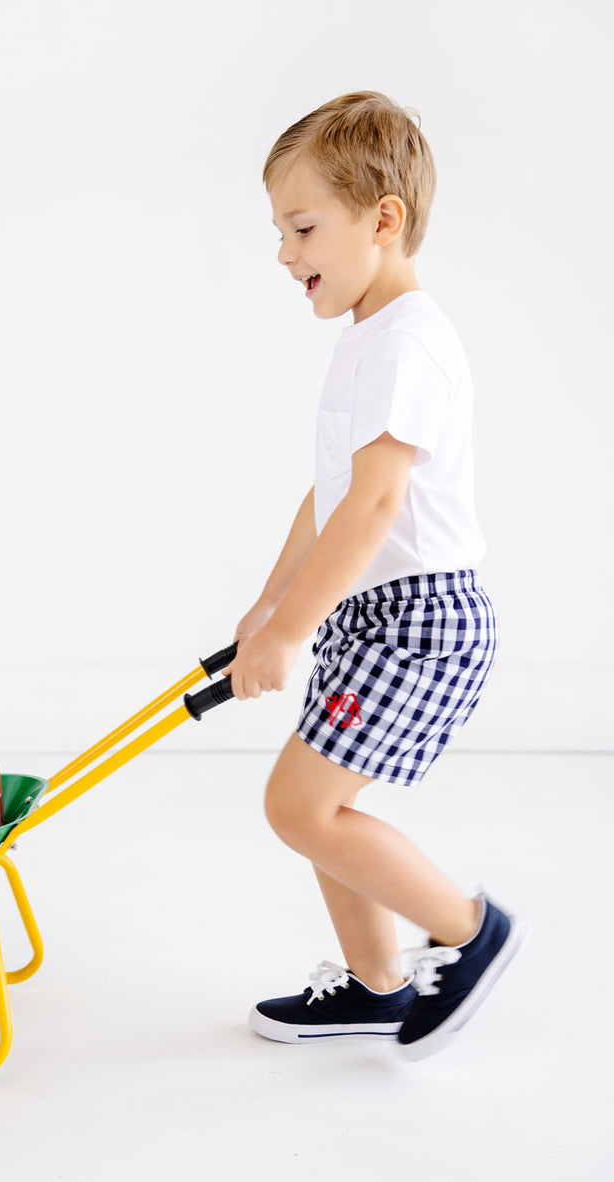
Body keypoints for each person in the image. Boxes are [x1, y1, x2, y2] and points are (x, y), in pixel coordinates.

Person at [221, 90, 527, 1061]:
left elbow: (372, 508)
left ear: (382, 218)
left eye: (302, 225)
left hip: (417, 620)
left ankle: (469, 927)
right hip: (372, 613)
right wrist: (269, 605)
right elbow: (323, 500)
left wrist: (285, 633)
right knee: (318, 808)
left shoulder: (404, 341)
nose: (283, 251)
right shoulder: (368, 339)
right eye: (279, 229)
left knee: (298, 805)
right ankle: (374, 983)